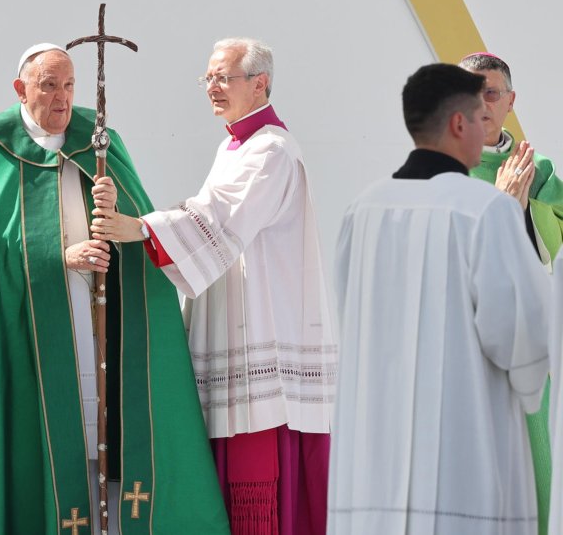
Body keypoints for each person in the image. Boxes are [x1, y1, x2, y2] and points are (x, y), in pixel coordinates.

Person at [0, 44, 228, 534]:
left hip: (101, 327)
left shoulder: (99, 141)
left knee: (103, 436)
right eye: (49, 85)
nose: (62, 98)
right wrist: (56, 259)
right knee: (54, 442)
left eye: (69, 85)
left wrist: (117, 215)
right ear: (20, 89)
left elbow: (136, 227)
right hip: (29, 333)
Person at [91, 37, 335, 533]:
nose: (212, 88)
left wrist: (140, 228)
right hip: (235, 316)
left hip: (263, 322)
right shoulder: (234, 145)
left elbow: (222, 218)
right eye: (208, 78)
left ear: (260, 83)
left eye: (224, 77)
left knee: (259, 465)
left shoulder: (272, 150)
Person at [329, 63, 551, 534]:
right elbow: (522, 338)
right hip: (463, 447)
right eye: (479, 115)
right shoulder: (486, 210)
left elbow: (351, 313)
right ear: (458, 124)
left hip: (378, 452)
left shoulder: (363, 208)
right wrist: (531, 389)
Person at [460, 51, 562, 535]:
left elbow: (548, 255)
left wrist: (522, 207)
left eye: (493, 93)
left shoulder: (537, 170)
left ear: (510, 101)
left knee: (531, 472)